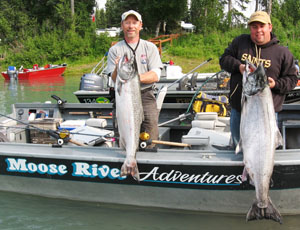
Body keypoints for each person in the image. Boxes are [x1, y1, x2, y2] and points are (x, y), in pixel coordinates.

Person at [219, 11, 298, 147]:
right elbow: (224, 60)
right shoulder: (240, 42)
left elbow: (292, 79)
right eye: (254, 27)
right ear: (250, 28)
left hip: (267, 113)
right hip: (240, 110)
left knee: (262, 151)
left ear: (270, 27)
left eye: (262, 26)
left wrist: (275, 84)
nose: (258, 30)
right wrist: (239, 67)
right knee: (238, 149)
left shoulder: (282, 53)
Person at [105, 10, 163, 146]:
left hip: (145, 95)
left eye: (134, 23)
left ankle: (150, 161)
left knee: (150, 136)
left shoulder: (150, 47)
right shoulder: (115, 50)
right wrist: (117, 69)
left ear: (140, 25)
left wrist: (132, 78)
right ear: (122, 25)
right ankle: (126, 160)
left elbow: (155, 75)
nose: (131, 26)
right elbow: (112, 80)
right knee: (123, 135)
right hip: (122, 96)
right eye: (127, 23)